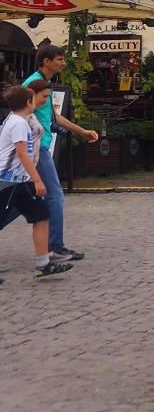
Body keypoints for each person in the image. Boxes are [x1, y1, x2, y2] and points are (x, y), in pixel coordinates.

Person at [25, 44, 98, 262]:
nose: (63, 63)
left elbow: (54, 117)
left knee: (21, 198)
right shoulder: (32, 85)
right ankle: (54, 246)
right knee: (54, 195)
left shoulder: (42, 84)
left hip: (40, 146)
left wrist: (82, 131)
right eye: (59, 59)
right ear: (46, 61)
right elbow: (21, 114)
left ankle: (49, 246)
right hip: (37, 148)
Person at [0, 83, 74, 279]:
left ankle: (43, 263)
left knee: (41, 215)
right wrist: (37, 180)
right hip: (9, 181)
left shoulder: (20, 120)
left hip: (20, 181)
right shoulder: (18, 124)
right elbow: (22, 154)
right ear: (28, 102)